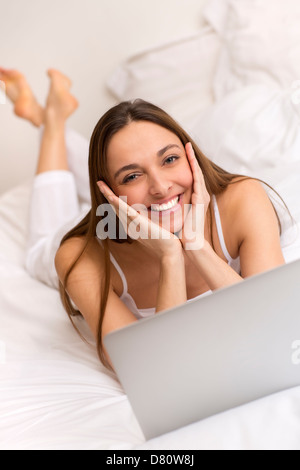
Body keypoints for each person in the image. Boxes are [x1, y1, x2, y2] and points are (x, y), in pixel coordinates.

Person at [0, 67, 286, 370]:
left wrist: (196, 245)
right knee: (39, 247)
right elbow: (149, 369)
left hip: (131, 208)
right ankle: (53, 124)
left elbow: (275, 323)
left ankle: (52, 118)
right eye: (132, 176)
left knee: (129, 159)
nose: (161, 187)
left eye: (170, 159)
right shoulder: (79, 255)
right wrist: (169, 256)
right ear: (110, 193)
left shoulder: (243, 199)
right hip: (108, 226)